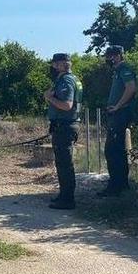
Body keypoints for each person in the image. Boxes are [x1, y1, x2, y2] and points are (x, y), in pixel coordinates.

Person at [43, 53, 83, 210]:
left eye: (54, 65)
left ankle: (67, 200)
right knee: (63, 163)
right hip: (67, 125)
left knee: (64, 164)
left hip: (65, 126)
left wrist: (49, 98)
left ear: (60, 64)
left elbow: (67, 105)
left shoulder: (66, 80)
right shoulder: (73, 79)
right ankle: (64, 195)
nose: (52, 67)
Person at [100, 45, 137, 197]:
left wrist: (117, 106)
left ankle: (115, 186)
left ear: (120, 55)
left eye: (114, 55)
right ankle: (121, 185)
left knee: (112, 150)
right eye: (109, 55)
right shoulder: (116, 71)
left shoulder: (124, 69)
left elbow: (131, 88)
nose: (110, 58)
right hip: (116, 113)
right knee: (117, 150)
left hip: (121, 113)